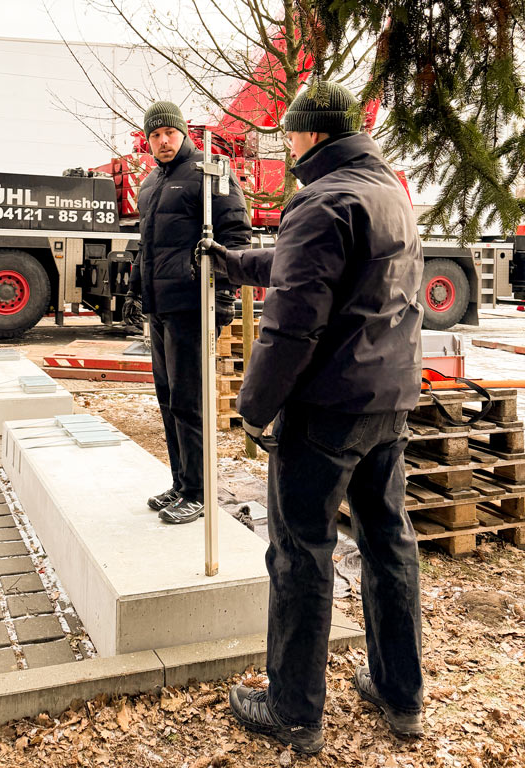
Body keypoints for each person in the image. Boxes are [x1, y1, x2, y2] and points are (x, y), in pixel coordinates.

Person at [196, 81, 425, 753]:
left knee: (302, 553)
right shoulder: (386, 195)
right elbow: (314, 270)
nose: (286, 142)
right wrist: (236, 263)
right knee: (389, 545)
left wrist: (254, 408)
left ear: (315, 134)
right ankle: (399, 692)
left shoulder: (319, 200)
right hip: (387, 404)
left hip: (325, 412)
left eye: (291, 132)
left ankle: (294, 711)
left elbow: (292, 323)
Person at [123, 101, 251, 524]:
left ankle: (198, 491)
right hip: (160, 310)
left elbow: (235, 235)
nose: (162, 141)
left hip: (194, 307)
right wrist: (137, 288)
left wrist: (225, 294)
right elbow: (149, 244)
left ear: (183, 133)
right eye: (155, 135)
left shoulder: (209, 172)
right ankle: (180, 483)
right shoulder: (151, 184)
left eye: (169, 133)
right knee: (168, 399)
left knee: (191, 402)